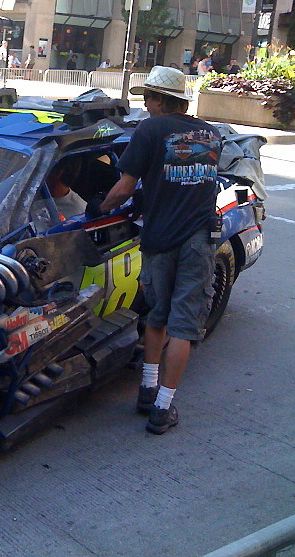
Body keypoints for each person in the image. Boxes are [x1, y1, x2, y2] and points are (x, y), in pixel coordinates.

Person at [88, 66, 222, 435]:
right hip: (198, 240)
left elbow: (124, 188)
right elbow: (194, 183)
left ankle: (150, 395)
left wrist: (100, 208)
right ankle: (162, 406)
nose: (145, 105)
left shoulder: (149, 130)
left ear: (161, 100)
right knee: (184, 323)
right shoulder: (211, 134)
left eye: (148, 98)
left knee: (160, 316)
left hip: (160, 239)